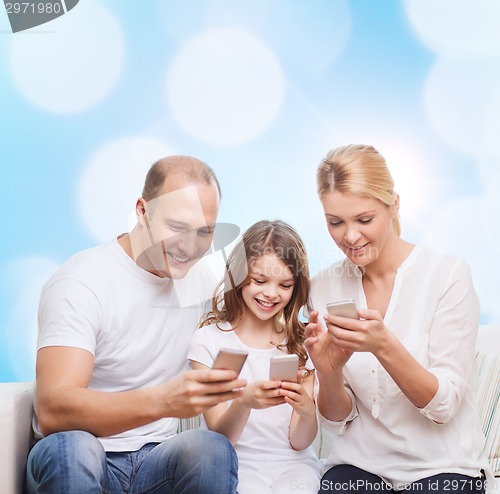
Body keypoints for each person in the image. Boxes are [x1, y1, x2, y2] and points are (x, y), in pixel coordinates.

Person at [25, 156, 247, 494]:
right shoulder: (81, 281)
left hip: (156, 460)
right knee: (73, 449)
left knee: (210, 450)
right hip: (82, 455)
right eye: (176, 227)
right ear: (142, 210)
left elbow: (267, 306)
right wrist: (163, 401)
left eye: (204, 232)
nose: (190, 247)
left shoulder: (201, 279)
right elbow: (54, 409)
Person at [305, 144, 493, 494]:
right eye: (335, 222)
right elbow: (335, 419)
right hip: (358, 466)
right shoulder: (325, 286)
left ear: (393, 204)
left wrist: (383, 345)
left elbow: (444, 406)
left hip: (443, 468)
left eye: (364, 220)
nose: (350, 236)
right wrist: (328, 373)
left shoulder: (447, 275)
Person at [188, 220, 321, 494]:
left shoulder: (302, 345)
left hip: (295, 467)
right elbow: (221, 440)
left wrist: (307, 411)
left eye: (285, 285)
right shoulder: (209, 342)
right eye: (260, 281)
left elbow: (299, 442)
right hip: (235, 466)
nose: (271, 294)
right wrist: (245, 403)